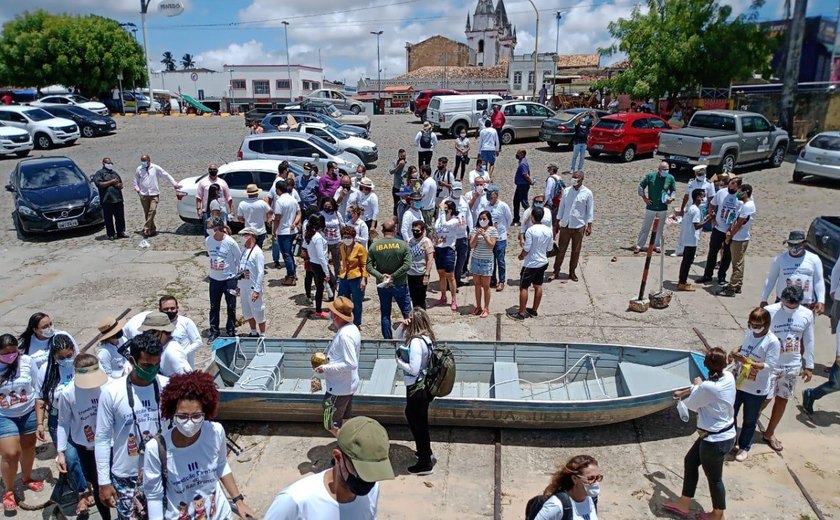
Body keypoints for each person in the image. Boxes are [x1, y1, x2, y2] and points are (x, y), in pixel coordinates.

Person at [143, 371, 255, 519]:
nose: (189, 422)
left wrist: (238, 501)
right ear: (172, 413)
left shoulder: (215, 432)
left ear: (206, 412)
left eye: (196, 416)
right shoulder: (156, 449)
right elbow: (154, 496)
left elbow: (221, 465)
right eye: (182, 416)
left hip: (220, 515)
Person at [95, 333, 168, 519]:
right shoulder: (111, 392)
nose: (152, 370)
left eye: (156, 365)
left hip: (162, 470)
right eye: (146, 365)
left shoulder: (168, 387)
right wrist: (103, 482)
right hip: (126, 476)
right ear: (132, 360)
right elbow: (102, 438)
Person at [264, 416, 394, 519]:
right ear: (338, 457)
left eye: (375, 472)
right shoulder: (294, 501)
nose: (368, 479)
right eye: (361, 470)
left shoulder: (372, 489)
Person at [665, 348, 735, 520]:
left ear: (706, 366)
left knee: (715, 478)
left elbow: (692, 404)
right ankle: (684, 503)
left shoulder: (708, 387)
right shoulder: (728, 377)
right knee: (690, 462)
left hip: (714, 440)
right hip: (720, 434)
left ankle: (718, 514)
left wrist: (695, 385)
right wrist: (686, 390)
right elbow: (705, 386)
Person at [761, 286, 814, 452]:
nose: (791, 308)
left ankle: (769, 433)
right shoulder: (769, 311)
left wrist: (809, 365)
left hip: (792, 364)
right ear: (781, 299)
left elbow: (809, 339)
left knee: (782, 399)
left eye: (794, 306)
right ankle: (746, 431)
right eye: (787, 305)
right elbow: (757, 334)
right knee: (763, 399)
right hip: (770, 364)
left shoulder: (807, 314)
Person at [56, 354, 111, 518]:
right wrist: (61, 452)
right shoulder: (68, 393)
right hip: (86, 448)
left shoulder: (108, 385)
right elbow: (63, 423)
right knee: (98, 484)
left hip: (110, 445)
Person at [729, 307, 780, 462]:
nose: (754, 328)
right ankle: (732, 442)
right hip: (740, 382)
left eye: (758, 326)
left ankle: (744, 446)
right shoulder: (749, 333)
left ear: (766, 324)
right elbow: (745, 347)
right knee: (731, 413)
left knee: (750, 419)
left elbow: (769, 365)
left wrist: (748, 362)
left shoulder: (772, 342)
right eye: (752, 324)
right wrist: (736, 351)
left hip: (757, 387)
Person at [0, 334, 44, 512]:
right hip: (4, 415)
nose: (11, 355)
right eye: (6, 352)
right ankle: (8, 490)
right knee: (11, 453)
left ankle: (26, 477)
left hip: (27, 412)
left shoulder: (26, 361)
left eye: (13, 351)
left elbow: (36, 384)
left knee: (28, 447)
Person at [395, 308, 438, 474]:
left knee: (418, 424)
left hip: (416, 387)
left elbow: (413, 369)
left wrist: (399, 362)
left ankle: (425, 462)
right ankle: (425, 452)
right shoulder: (427, 338)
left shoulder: (415, 342)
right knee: (415, 418)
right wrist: (402, 326)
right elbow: (396, 337)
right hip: (423, 386)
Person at [314, 297, 361, 436]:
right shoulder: (352, 328)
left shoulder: (345, 336)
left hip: (338, 388)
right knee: (345, 419)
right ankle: (347, 445)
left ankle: (345, 447)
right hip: (347, 384)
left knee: (329, 422)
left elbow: (351, 363)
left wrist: (325, 368)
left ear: (335, 316)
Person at [760, 230, 826, 314]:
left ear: (804, 244)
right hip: (783, 304)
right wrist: (764, 299)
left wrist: (821, 300)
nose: (793, 247)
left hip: (806, 305)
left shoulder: (814, 259)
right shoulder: (780, 259)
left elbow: (819, 281)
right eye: (790, 244)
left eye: (796, 244)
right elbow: (770, 280)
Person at [367, 220, 413, 340]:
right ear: (395, 230)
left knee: (385, 314)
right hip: (400, 283)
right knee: (408, 313)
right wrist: (393, 276)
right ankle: (412, 336)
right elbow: (407, 265)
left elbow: (369, 267)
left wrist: (382, 276)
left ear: (382, 231)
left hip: (383, 285)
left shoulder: (374, 246)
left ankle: (387, 339)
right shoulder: (402, 245)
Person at [509, 207, 552, 321]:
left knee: (524, 287)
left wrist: (520, 256)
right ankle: (534, 310)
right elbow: (550, 247)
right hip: (543, 262)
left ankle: (521, 313)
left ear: (532, 217)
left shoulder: (531, 231)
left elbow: (526, 249)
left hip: (531, 264)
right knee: (538, 286)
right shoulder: (548, 230)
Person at [697, 176, 743, 285]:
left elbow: (740, 215)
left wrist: (731, 229)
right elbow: (712, 205)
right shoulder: (722, 192)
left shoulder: (739, 197)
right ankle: (707, 275)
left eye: (734, 184)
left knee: (727, 254)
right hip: (718, 228)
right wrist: (712, 218)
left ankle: (721, 276)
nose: (732, 185)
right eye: (731, 183)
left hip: (730, 231)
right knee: (712, 252)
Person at [549, 171, 593, 283]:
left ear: (582, 179)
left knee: (576, 250)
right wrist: (557, 223)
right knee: (561, 249)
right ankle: (556, 271)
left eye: (576, 178)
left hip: (579, 225)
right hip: (566, 224)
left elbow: (589, 210)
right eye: (573, 178)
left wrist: (589, 225)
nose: (574, 180)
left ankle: (572, 272)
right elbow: (562, 207)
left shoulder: (587, 193)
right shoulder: (567, 191)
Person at [530, 455, 601, 520]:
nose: (596, 482)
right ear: (574, 479)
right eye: (590, 478)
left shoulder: (591, 498)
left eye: (598, 477)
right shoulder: (556, 505)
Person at [206, 217, 241, 342]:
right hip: (214, 279)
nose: (208, 230)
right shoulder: (208, 240)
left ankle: (230, 330)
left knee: (231, 306)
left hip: (229, 279)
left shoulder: (230, 243)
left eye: (210, 227)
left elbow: (239, 258)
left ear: (217, 228)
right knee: (214, 306)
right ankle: (214, 331)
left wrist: (237, 277)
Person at [720, 184, 755, 297]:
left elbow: (739, 223)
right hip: (741, 237)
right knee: (739, 262)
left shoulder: (747, 206)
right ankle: (738, 285)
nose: (738, 194)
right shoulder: (745, 205)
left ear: (746, 192)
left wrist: (730, 235)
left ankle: (732, 287)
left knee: (737, 264)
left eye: (740, 191)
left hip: (739, 238)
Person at [134, 154, 181, 238]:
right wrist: (137, 189)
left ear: (149, 160)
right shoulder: (139, 169)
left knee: (152, 210)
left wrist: (174, 183)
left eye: (145, 161)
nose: (143, 163)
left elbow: (165, 175)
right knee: (147, 212)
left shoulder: (155, 168)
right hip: (144, 194)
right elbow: (136, 179)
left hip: (154, 194)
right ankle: (152, 230)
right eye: (142, 161)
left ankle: (146, 227)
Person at [634, 162, 676, 254]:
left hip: (662, 207)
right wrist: (644, 198)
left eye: (667, 169)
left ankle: (657, 245)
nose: (666, 171)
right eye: (664, 169)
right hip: (651, 206)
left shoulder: (670, 178)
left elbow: (673, 190)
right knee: (646, 227)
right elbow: (641, 186)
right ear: (659, 169)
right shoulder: (651, 176)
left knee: (660, 228)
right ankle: (639, 245)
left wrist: (671, 198)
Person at [478, 184, 512, 291]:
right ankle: (492, 278)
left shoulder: (503, 206)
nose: (488, 195)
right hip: (490, 237)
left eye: (490, 193)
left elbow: (509, 219)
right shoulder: (487, 206)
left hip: (500, 238)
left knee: (500, 259)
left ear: (496, 194)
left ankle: (501, 281)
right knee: (491, 259)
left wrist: (504, 230)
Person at [674, 165, 715, 257]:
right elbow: (686, 196)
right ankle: (680, 250)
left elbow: (711, 198)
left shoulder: (709, 183)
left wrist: (710, 211)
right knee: (684, 229)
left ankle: (693, 252)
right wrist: (682, 209)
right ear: (695, 174)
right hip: (690, 207)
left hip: (701, 208)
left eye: (703, 173)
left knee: (697, 231)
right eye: (699, 174)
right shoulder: (691, 182)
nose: (701, 175)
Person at [677, 189, 713, 291]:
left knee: (686, 260)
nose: (704, 198)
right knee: (688, 261)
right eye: (702, 196)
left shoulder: (691, 208)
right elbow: (697, 226)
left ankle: (682, 280)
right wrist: (708, 219)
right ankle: (682, 282)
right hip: (691, 239)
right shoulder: (696, 210)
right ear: (698, 197)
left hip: (687, 237)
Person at [238, 227, 267, 337]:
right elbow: (240, 267)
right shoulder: (243, 250)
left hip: (252, 287)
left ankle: (263, 334)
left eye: (245, 235)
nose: (242, 238)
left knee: (258, 311)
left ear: (251, 235)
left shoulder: (257, 252)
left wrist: (257, 290)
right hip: (244, 285)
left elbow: (260, 272)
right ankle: (253, 331)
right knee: (247, 311)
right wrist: (238, 285)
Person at [272, 179, 302, 284]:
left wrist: (273, 231)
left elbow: (277, 218)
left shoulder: (280, 201)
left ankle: (291, 276)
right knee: (289, 253)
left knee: (286, 254)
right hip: (292, 230)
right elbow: (299, 213)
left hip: (283, 231)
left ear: (278, 189)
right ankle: (292, 273)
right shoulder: (293, 199)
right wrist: (295, 222)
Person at [470, 210, 499, 318]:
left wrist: (485, 236)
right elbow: (472, 245)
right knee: (477, 285)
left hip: (487, 261)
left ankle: (486, 307)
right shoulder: (474, 230)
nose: (482, 221)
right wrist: (477, 235)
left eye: (484, 219)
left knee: (486, 286)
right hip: (476, 260)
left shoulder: (493, 230)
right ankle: (478, 306)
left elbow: (491, 245)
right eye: (480, 219)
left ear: (489, 220)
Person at [337, 226, 368, 327]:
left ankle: (356, 323)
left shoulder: (360, 248)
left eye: (349, 237)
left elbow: (364, 264)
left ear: (353, 237)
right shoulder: (342, 246)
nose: (347, 239)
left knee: (357, 302)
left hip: (356, 277)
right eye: (345, 237)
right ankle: (343, 320)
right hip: (344, 276)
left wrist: (364, 279)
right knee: (342, 300)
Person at [91, 157, 128, 240]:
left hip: (117, 199)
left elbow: (120, 184)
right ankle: (111, 234)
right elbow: (99, 184)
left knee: (120, 217)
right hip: (107, 200)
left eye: (111, 163)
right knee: (108, 219)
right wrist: (111, 182)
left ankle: (121, 232)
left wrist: (119, 185)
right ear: (104, 164)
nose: (110, 165)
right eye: (108, 163)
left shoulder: (114, 173)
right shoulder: (99, 173)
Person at [434, 200, 461, 310]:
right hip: (439, 248)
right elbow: (437, 228)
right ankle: (443, 296)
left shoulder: (455, 220)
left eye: (445, 209)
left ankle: (454, 299)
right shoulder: (440, 218)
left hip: (449, 249)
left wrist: (441, 211)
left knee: (450, 276)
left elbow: (446, 224)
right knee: (441, 275)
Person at [304, 214, 331, 319]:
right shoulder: (318, 237)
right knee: (321, 287)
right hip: (320, 265)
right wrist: (327, 272)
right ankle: (319, 310)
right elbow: (321, 257)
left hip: (314, 263)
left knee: (321, 287)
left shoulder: (310, 235)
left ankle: (320, 309)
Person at [447, 181, 472, 287]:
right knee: (450, 260)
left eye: (459, 190)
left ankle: (457, 279)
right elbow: (442, 218)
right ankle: (449, 282)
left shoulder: (464, 201)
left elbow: (469, 215)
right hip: (451, 236)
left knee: (462, 259)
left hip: (463, 235)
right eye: (455, 190)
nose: (457, 192)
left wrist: (470, 230)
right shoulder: (446, 202)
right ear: (451, 189)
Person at [196, 164, 232, 237]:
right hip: (206, 210)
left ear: (217, 171)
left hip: (220, 210)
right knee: (208, 231)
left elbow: (228, 197)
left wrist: (232, 210)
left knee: (220, 230)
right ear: (208, 170)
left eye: (214, 169)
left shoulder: (222, 182)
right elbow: (198, 197)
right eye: (211, 169)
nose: (213, 171)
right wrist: (199, 209)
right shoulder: (203, 182)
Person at [407, 220, 435, 310]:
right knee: (413, 298)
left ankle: (423, 320)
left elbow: (430, 260)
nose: (415, 233)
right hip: (410, 274)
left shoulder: (426, 242)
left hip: (421, 274)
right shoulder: (410, 241)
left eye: (417, 231)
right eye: (413, 230)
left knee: (421, 298)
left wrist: (427, 274)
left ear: (423, 231)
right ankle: (416, 318)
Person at [320, 197, 345, 287]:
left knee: (337, 262)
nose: (327, 208)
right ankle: (327, 278)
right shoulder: (321, 215)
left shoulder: (337, 215)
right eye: (325, 206)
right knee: (324, 262)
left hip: (336, 242)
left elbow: (342, 226)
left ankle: (338, 279)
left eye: (329, 206)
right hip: (325, 243)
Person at [511, 149, 533, 226]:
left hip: (523, 186)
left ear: (522, 154)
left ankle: (531, 218)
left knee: (524, 203)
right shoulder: (521, 162)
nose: (516, 155)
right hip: (520, 185)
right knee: (516, 202)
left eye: (518, 153)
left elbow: (525, 175)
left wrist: (531, 181)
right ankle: (516, 219)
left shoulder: (523, 164)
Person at [390, 149, 409, 214]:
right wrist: (398, 167)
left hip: (404, 187)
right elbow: (391, 171)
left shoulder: (407, 164)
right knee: (396, 204)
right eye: (401, 156)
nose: (403, 158)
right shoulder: (395, 162)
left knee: (405, 204)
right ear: (398, 156)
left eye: (404, 156)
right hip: (397, 187)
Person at [419, 165, 438, 230]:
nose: (420, 174)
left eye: (421, 172)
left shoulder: (427, 182)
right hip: (431, 206)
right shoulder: (432, 181)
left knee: (427, 227)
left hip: (426, 207)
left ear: (424, 173)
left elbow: (423, 195)